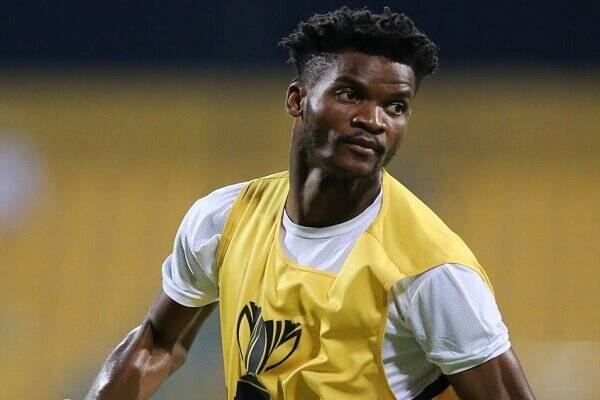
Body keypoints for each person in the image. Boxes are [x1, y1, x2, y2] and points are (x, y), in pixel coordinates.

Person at [87, 7, 535, 400]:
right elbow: (158, 343)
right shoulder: (223, 221)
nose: (373, 120)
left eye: (396, 106)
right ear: (297, 99)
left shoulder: (432, 271)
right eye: (350, 94)